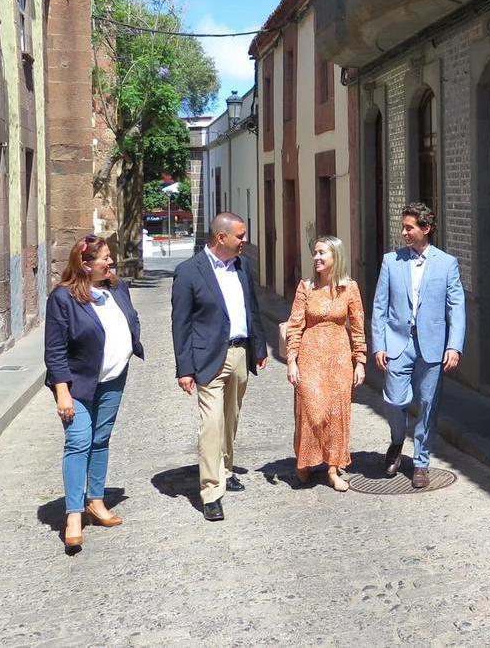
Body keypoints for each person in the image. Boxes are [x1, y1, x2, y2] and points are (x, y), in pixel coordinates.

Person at [44, 234, 143, 552]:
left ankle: (96, 501)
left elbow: (130, 318)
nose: (111, 261)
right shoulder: (63, 298)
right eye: (104, 258)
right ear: (85, 265)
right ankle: (73, 514)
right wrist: (62, 392)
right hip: (78, 385)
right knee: (78, 442)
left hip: (113, 379)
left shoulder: (116, 288)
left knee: (100, 440)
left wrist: (128, 347)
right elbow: (55, 349)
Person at [171, 213, 268, 521]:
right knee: (211, 426)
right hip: (208, 358)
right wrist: (184, 368)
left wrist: (259, 348)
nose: (244, 241)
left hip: (240, 353)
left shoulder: (242, 266)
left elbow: (252, 308)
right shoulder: (189, 272)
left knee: (230, 419)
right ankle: (211, 491)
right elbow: (180, 325)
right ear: (221, 238)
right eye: (240, 236)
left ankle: (226, 469)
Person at [372, 203, 465, 489]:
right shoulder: (391, 261)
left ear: (426, 229)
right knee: (394, 400)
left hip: (433, 346)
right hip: (398, 343)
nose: (404, 232)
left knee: (427, 405)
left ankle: (421, 461)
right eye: (403, 227)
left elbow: (456, 307)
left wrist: (454, 346)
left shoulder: (447, 264)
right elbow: (379, 306)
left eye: (409, 227)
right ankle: (398, 440)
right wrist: (379, 344)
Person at [285, 236, 367, 491]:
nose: (317, 258)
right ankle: (305, 458)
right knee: (311, 410)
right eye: (315, 253)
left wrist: (360, 361)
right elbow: (295, 324)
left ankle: (332, 467)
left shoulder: (349, 288)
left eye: (322, 253)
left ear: (336, 257)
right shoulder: (306, 287)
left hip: (339, 358)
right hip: (310, 356)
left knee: (336, 412)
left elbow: (358, 327)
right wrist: (291, 360)